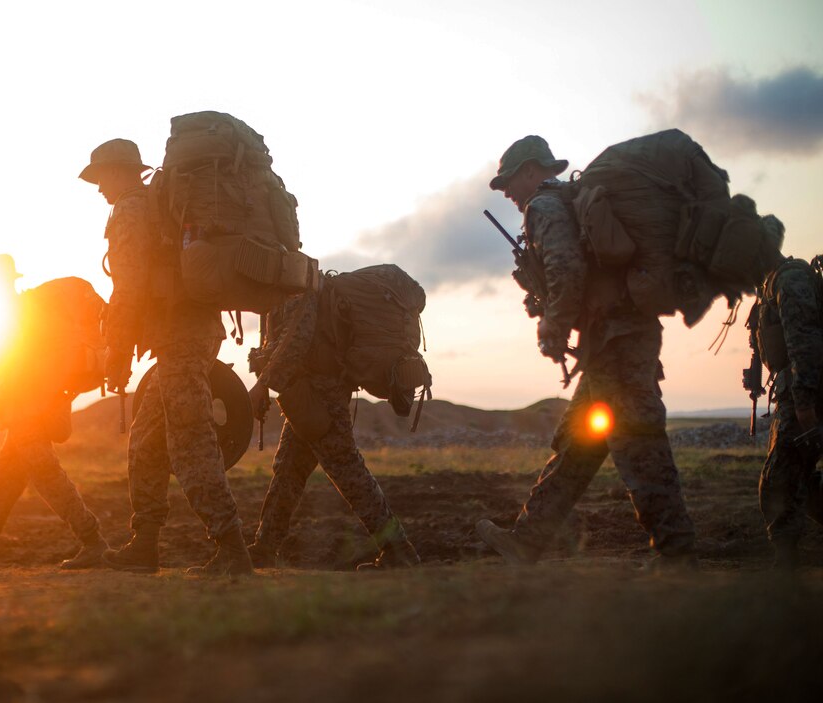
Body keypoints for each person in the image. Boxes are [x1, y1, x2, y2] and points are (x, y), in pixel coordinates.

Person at [474, 137, 696, 568]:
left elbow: (567, 268)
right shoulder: (566, 204)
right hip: (612, 339)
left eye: (509, 181)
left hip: (616, 340)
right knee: (578, 443)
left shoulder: (545, 207)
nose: (506, 193)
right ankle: (527, 539)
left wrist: (553, 325)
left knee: (636, 440)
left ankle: (677, 552)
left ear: (531, 171)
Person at [78, 138, 251, 576]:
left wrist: (116, 349)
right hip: (179, 337)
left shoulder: (132, 211)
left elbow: (129, 287)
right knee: (146, 444)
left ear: (122, 172)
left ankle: (232, 547)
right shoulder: (153, 206)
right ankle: (145, 545)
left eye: (101, 178)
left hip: (181, 338)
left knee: (191, 440)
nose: (99, 188)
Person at [0, 255, 109, 569]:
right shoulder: (21, 313)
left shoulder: (18, 316)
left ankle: (93, 541)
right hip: (30, 409)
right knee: (5, 481)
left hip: (30, 410)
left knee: (47, 476)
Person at [244, 286, 420, 570]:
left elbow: (296, 343)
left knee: (346, 468)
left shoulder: (298, 288)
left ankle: (398, 549)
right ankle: (265, 547)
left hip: (322, 393)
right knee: (288, 470)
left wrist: (263, 385)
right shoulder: (282, 291)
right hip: (305, 394)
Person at [749, 247, 823, 568]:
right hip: (793, 393)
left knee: (779, 480)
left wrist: (805, 403)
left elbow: (804, 345)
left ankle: (786, 565)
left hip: (804, 395)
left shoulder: (789, 281)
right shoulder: (768, 286)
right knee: (799, 479)